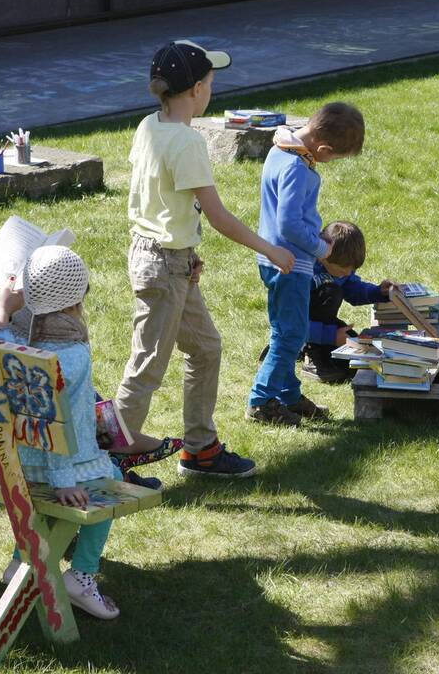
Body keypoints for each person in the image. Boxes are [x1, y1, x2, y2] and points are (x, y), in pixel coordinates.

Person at [115, 39, 295, 479]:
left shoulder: (149, 125)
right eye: (211, 82)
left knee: (206, 347)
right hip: (163, 265)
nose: (212, 90)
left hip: (166, 258)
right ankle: (107, 459)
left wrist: (186, 250)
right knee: (146, 368)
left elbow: (167, 204)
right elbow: (218, 216)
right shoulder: (188, 142)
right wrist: (270, 249)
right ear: (196, 90)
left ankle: (200, 449)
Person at [0, 245, 122, 620]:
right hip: (50, 465)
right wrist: (63, 481)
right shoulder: (69, 356)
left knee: (72, 485)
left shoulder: (9, 339)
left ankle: (20, 561)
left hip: (4, 455)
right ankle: (82, 575)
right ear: (78, 299)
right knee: (111, 478)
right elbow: (52, 425)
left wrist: (0, 312)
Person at [246, 103, 365, 427]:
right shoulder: (298, 168)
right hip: (290, 263)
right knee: (291, 336)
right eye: (333, 158)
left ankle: (288, 394)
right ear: (323, 148)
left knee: (287, 331)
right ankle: (261, 401)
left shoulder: (280, 151)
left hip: (275, 259)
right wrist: (321, 249)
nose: (329, 163)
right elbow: (289, 224)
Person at [303, 221, 394, 384]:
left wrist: (378, 292)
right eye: (343, 269)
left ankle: (306, 347)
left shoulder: (340, 267)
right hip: (300, 324)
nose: (347, 273)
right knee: (331, 291)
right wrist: (330, 336)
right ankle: (313, 356)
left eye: (352, 270)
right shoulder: (305, 271)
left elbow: (354, 289)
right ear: (325, 256)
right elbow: (291, 321)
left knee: (356, 354)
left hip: (322, 323)